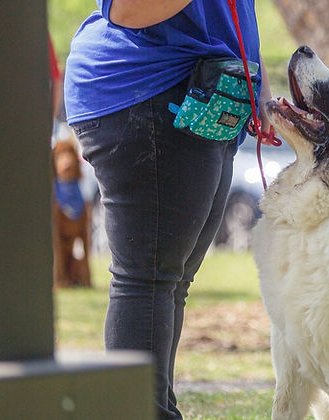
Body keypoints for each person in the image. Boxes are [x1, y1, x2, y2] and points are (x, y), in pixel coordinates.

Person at [63, 1, 272, 417]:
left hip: (209, 100)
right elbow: (126, 11)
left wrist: (259, 89)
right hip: (146, 91)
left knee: (171, 281)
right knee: (149, 278)